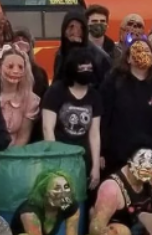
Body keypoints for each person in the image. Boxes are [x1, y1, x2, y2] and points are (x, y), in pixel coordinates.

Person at [100, 37, 152, 173]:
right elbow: (103, 120)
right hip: (119, 158)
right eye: (138, 50)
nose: (142, 53)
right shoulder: (113, 82)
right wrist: (101, 152)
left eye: (147, 50)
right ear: (128, 58)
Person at [40, 48, 105, 191]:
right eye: (82, 65)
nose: (86, 69)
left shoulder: (95, 96)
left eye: (89, 66)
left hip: (83, 160)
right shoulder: (56, 91)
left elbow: (94, 134)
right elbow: (47, 128)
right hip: (58, 155)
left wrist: (95, 167)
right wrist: (55, 159)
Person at [0, 47, 40, 148]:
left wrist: (10, 158)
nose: (16, 71)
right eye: (10, 66)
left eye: (20, 67)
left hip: (14, 155)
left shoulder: (30, 99)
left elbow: (23, 137)